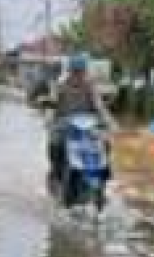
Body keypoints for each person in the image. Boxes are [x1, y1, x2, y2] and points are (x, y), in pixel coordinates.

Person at [48, 54, 115, 186]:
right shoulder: (60, 86)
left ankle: (102, 179)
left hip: (87, 126)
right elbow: (52, 104)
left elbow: (99, 106)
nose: (78, 75)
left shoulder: (90, 86)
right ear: (69, 72)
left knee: (106, 143)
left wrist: (110, 122)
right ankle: (56, 172)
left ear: (85, 72)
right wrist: (49, 118)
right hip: (64, 125)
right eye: (75, 72)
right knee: (55, 144)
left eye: (81, 72)